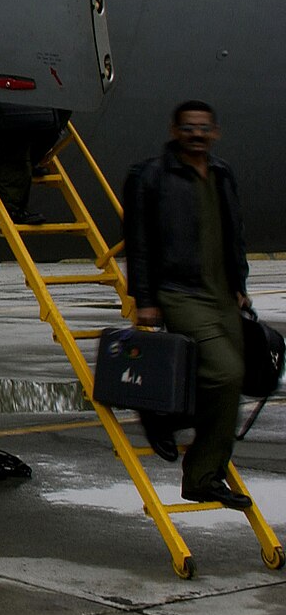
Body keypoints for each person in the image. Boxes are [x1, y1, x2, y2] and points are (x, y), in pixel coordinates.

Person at [122, 101, 253, 509]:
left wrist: (239, 283)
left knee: (235, 380)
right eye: (188, 128)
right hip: (179, 292)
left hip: (220, 293)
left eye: (203, 128)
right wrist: (144, 298)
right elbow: (139, 241)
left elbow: (233, 231)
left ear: (215, 132)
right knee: (225, 373)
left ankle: (164, 417)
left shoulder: (222, 172)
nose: (196, 134)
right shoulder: (151, 177)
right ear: (174, 130)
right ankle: (200, 476)